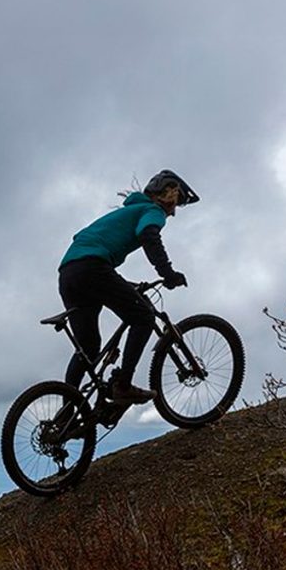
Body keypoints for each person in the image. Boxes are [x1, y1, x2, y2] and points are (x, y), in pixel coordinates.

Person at [57, 170, 198, 404]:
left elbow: (95, 257)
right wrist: (168, 274)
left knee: (88, 348)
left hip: (70, 273)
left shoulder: (128, 211)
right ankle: (123, 386)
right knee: (143, 317)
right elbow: (148, 235)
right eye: (177, 203)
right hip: (93, 267)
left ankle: (66, 415)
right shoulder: (152, 210)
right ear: (167, 194)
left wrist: (127, 285)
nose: (173, 212)